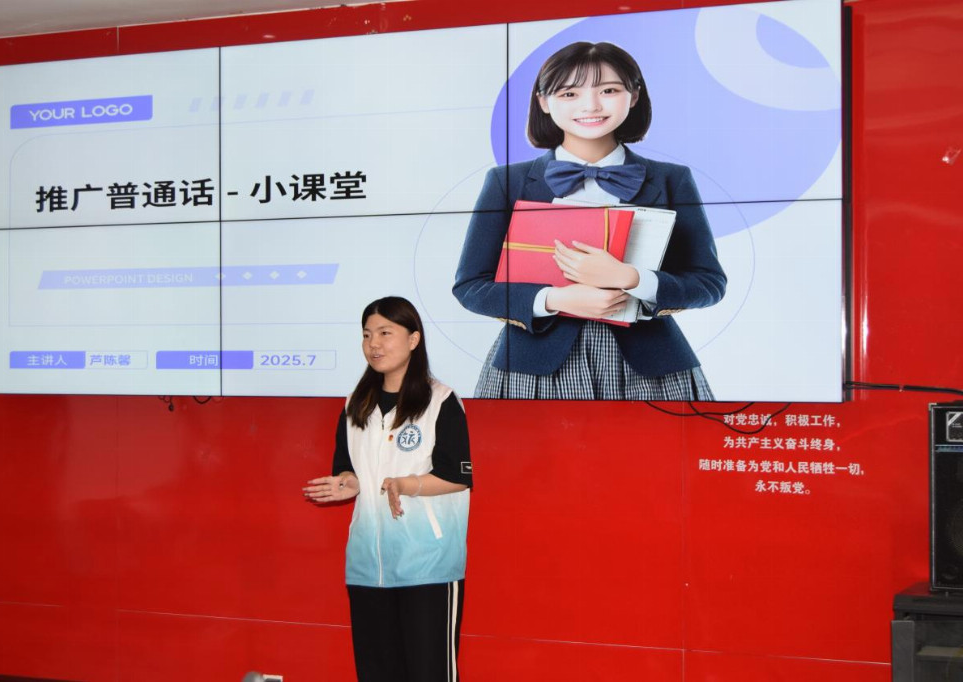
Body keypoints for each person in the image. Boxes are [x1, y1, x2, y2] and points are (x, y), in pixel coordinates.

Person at [453, 41, 726, 400]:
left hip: (651, 367)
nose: (591, 105)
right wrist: (554, 299)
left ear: (634, 95)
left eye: (608, 90)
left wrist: (630, 278)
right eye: (569, 93)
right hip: (533, 367)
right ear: (543, 102)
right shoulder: (507, 181)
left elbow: (708, 283)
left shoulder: (671, 178)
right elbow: (471, 286)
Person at [303, 296, 472, 682]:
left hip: (428, 565)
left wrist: (406, 484)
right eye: (366, 335)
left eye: (384, 333)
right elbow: (349, 469)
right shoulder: (355, 404)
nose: (373, 344)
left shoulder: (440, 401)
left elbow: (458, 476)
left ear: (413, 339)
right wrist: (347, 483)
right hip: (367, 565)